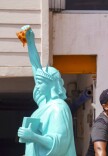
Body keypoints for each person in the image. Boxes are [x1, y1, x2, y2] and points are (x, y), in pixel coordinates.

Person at [17, 25, 76, 156]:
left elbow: (59, 143)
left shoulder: (58, 109)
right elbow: (36, 67)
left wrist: (33, 136)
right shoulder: (45, 103)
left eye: (41, 83)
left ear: (52, 85)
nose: (37, 87)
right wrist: (30, 42)